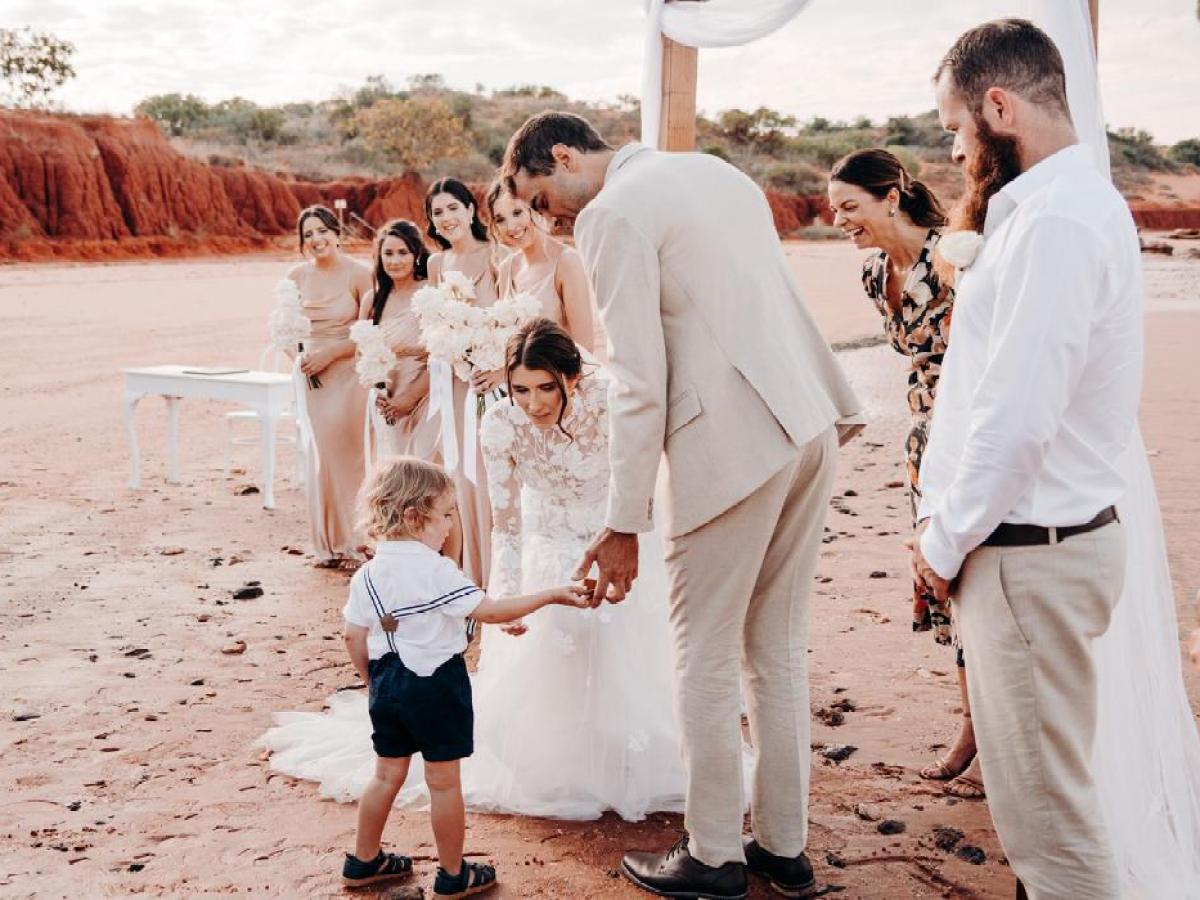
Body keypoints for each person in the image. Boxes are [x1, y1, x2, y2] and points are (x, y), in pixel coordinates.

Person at [503, 112, 862, 900]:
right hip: (807, 426)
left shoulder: (611, 213)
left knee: (700, 652)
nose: (547, 216)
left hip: (730, 448)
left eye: (541, 194)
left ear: (564, 154)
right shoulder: (715, 173)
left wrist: (624, 519)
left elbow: (636, 378)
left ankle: (711, 854)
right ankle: (782, 846)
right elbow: (770, 306)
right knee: (778, 646)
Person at [260, 321, 688, 822]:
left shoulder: (609, 405)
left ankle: (632, 757)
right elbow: (505, 520)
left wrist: (629, 535)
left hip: (618, 542)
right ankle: (559, 763)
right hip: (544, 547)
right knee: (553, 666)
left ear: (573, 377)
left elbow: (646, 481)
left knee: (627, 657)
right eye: (520, 389)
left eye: (547, 387)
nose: (534, 403)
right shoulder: (501, 423)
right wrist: (504, 594)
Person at [912, 19, 1143, 898]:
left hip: (1028, 554)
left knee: (1049, 828)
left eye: (954, 126)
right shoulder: (1067, 209)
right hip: (1036, 546)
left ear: (998, 106)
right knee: (1044, 805)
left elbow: (1017, 418)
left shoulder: (1056, 224)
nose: (954, 145)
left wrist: (940, 544)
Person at [338, 455, 588, 895]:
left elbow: (353, 635)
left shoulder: (368, 574)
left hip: (387, 681)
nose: (452, 524)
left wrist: (371, 681)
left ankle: (363, 860)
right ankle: (453, 874)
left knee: (385, 775)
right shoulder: (435, 569)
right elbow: (487, 609)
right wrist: (549, 595)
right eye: (447, 514)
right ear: (415, 517)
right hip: (436, 685)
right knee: (443, 781)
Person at [828, 150, 984, 800]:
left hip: (973, 434)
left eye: (850, 207)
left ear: (891, 196)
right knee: (946, 587)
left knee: (978, 576)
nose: (839, 220)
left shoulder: (956, 256)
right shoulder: (872, 273)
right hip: (924, 440)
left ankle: (985, 725)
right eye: (834, 209)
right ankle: (974, 720)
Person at [424, 177, 499, 588]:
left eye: (454, 207)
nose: (447, 217)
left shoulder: (496, 255)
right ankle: (470, 572)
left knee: (490, 473)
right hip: (453, 383)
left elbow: (511, 319)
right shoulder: (437, 265)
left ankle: (496, 570)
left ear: (472, 210)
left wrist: (501, 365)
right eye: (438, 212)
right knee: (460, 473)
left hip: (492, 382)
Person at [287, 205, 371, 569]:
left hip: (350, 376)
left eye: (322, 231)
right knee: (321, 457)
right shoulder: (295, 276)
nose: (316, 239)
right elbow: (285, 325)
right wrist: (300, 357)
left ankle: (360, 541)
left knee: (350, 456)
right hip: (312, 379)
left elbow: (371, 331)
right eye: (309, 235)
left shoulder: (360, 274)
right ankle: (329, 543)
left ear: (337, 233)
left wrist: (332, 354)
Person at [358, 219, 440, 462]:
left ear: (416, 254)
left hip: (427, 396)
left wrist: (409, 399)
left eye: (403, 252)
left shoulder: (430, 293)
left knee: (423, 468)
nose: (395, 260)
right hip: (386, 401)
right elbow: (360, 355)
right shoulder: (372, 300)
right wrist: (381, 391)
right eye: (388, 253)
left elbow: (442, 352)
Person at [485, 181, 596, 353]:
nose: (511, 227)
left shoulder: (566, 262)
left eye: (517, 212)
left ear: (534, 209)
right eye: (500, 220)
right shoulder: (507, 267)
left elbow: (585, 347)